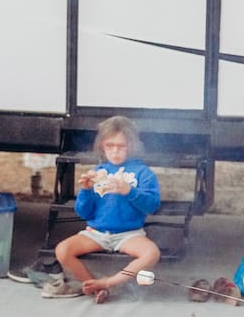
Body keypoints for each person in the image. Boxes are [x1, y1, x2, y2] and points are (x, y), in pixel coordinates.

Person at [44, 116, 161, 303]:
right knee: (62, 250)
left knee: (151, 253)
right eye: (110, 146)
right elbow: (84, 213)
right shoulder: (99, 171)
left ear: (131, 146)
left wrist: (129, 191)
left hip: (129, 233)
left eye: (121, 146)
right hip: (96, 232)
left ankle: (109, 282)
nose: (115, 151)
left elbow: (152, 205)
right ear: (102, 146)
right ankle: (93, 285)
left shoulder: (143, 173)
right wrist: (85, 190)